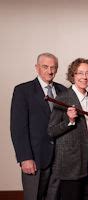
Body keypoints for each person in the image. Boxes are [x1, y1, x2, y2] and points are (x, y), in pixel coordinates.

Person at [10, 53, 66, 200]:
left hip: (59, 159)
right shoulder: (23, 91)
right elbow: (18, 128)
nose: (50, 71)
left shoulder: (64, 91)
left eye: (53, 67)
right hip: (35, 158)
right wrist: (25, 157)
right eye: (45, 67)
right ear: (37, 68)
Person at [48, 58, 88, 200]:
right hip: (70, 162)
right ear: (73, 75)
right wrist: (69, 121)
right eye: (80, 73)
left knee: (85, 196)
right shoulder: (63, 97)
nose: (84, 77)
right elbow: (51, 131)